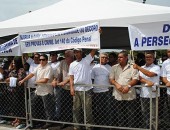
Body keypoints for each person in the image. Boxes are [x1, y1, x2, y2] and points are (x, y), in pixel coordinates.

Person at [19, 54, 55, 129]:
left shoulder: (49, 67)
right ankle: (35, 120)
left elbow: (45, 80)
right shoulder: (39, 66)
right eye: (40, 59)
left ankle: (49, 123)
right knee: (31, 103)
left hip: (46, 91)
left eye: (43, 59)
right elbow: (31, 74)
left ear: (46, 60)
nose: (41, 61)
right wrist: (23, 80)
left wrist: (36, 81)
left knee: (47, 108)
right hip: (38, 90)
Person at [109, 50, 139, 127]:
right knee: (120, 116)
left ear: (126, 58)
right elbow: (111, 79)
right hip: (118, 95)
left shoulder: (133, 67)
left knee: (131, 116)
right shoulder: (114, 67)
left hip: (129, 95)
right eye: (118, 57)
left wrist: (128, 86)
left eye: (121, 57)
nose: (119, 59)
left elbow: (135, 79)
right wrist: (117, 84)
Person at [69, 49, 96, 130]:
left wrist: (96, 37)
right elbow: (71, 78)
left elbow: (93, 51)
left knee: (87, 110)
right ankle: (76, 126)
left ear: (81, 53)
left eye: (78, 52)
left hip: (87, 90)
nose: (76, 54)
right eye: (75, 52)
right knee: (76, 109)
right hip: (76, 90)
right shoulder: (72, 64)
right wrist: (71, 88)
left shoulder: (86, 60)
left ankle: (89, 127)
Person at [133, 51, 160, 130]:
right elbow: (139, 78)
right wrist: (147, 81)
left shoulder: (156, 67)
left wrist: (138, 67)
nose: (148, 58)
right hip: (143, 94)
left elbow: (150, 74)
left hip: (153, 95)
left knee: (153, 115)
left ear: (153, 58)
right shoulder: (143, 67)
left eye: (150, 57)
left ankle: (154, 128)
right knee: (144, 114)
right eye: (146, 57)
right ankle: (146, 128)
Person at [51, 50, 74, 128]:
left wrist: (65, 81)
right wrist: (55, 80)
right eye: (65, 55)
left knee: (74, 106)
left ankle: (74, 122)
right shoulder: (62, 62)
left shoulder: (75, 63)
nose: (66, 57)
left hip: (73, 88)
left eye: (67, 55)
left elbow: (73, 75)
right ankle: (65, 121)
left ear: (72, 56)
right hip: (64, 88)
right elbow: (58, 73)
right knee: (64, 105)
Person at [91, 52, 112, 128]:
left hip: (106, 91)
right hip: (96, 92)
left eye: (106, 58)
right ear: (99, 58)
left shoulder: (110, 67)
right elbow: (92, 79)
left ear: (107, 59)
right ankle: (98, 124)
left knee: (107, 109)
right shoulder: (95, 67)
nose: (104, 59)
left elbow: (111, 79)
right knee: (98, 109)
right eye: (102, 57)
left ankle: (107, 125)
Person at [161, 49, 170, 127]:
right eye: (168, 51)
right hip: (169, 92)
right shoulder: (165, 63)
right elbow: (163, 76)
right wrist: (167, 82)